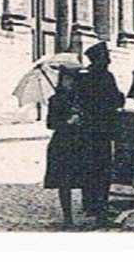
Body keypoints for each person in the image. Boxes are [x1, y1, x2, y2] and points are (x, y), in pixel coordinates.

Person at [73, 41, 125, 226]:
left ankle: (89, 204)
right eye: (106, 56)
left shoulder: (82, 77)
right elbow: (116, 100)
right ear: (100, 59)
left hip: (85, 130)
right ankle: (100, 205)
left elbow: (77, 101)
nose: (109, 60)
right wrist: (120, 98)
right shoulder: (105, 77)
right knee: (103, 169)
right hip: (103, 130)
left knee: (87, 167)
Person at [43, 66, 87, 227]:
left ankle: (87, 209)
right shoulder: (55, 100)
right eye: (67, 79)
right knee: (64, 182)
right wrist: (68, 122)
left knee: (84, 179)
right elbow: (50, 123)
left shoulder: (81, 99)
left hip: (80, 143)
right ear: (61, 81)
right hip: (62, 143)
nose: (71, 83)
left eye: (74, 80)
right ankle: (67, 216)